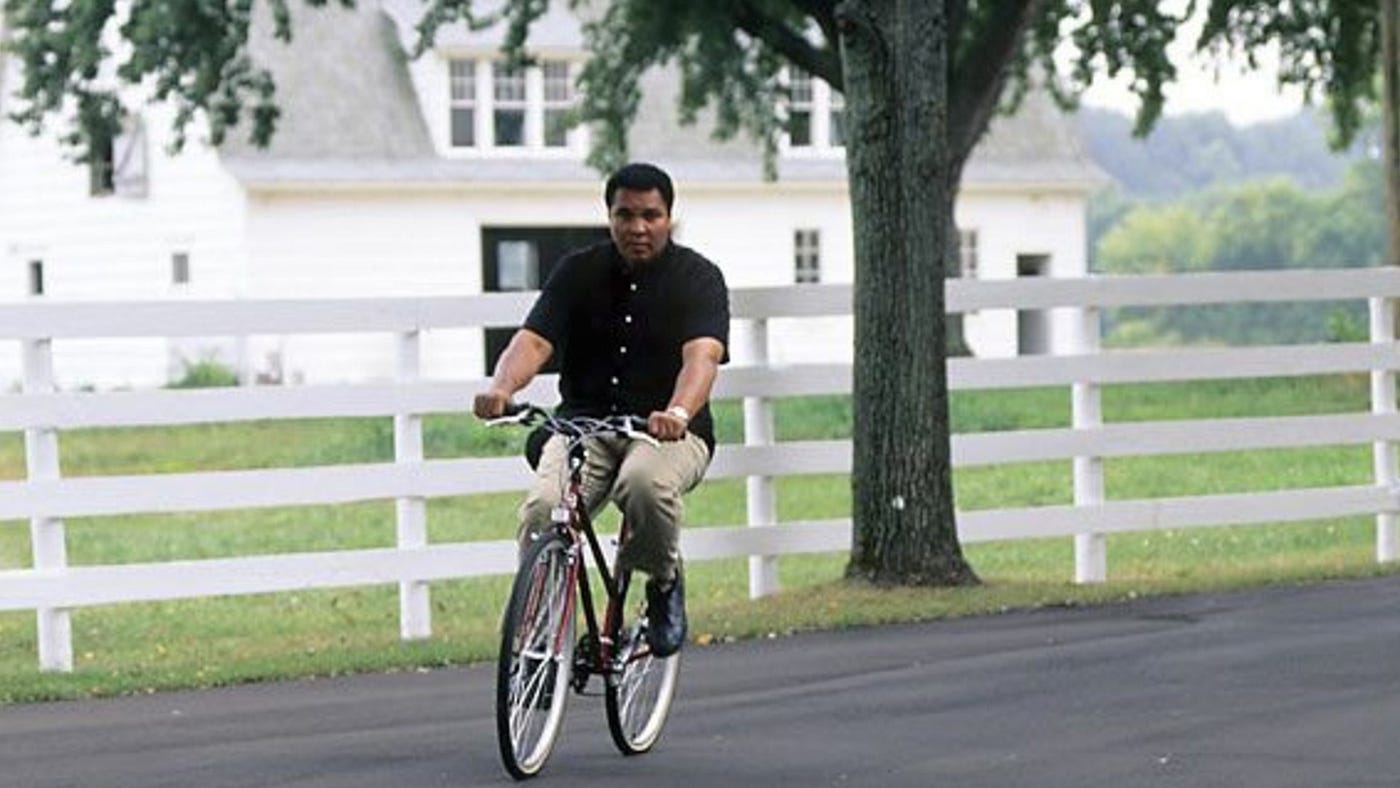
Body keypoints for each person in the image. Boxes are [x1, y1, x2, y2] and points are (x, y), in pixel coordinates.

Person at [473, 162, 729, 658]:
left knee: (644, 484)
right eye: (625, 215)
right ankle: (539, 639)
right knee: (544, 510)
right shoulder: (578, 272)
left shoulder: (698, 278)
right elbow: (533, 342)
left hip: (667, 433)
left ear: (669, 217)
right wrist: (501, 388)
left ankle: (662, 580)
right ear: (609, 216)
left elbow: (702, 357)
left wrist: (677, 412)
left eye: (650, 215)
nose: (638, 227)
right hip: (584, 428)